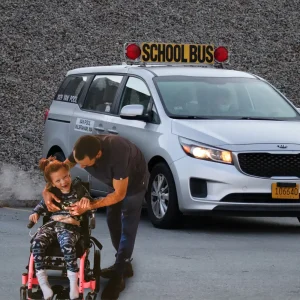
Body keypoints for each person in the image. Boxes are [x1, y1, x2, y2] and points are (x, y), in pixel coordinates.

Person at [42, 134, 149, 300]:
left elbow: (120, 194)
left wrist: (91, 204)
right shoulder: (83, 148)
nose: (82, 167)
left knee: (127, 226)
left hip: (134, 185)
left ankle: (118, 277)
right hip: (114, 182)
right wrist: (46, 190)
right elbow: (62, 169)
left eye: (85, 164)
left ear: (98, 155)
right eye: (80, 163)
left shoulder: (118, 155)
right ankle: (124, 264)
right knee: (112, 219)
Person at [29, 156, 93, 300]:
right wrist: (35, 213)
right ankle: (44, 283)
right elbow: (40, 206)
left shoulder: (79, 189)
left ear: (69, 174)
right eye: (58, 180)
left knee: (67, 243)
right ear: (52, 183)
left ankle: (73, 284)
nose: (63, 182)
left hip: (70, 226)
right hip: (52, 225)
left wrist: (86, 201)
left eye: (65, 177)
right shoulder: (52, 193)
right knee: (37, 242)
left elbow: (90, 203)